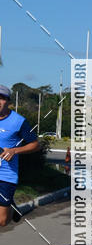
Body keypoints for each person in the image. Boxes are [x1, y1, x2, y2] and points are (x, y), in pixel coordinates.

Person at [0, 84, 40, 227]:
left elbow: (35, 144)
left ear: (8, 102)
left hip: (6, 174)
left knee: (2, 221)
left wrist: (14, 151)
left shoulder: (18, 121)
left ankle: (11, 206)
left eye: (2, 98)